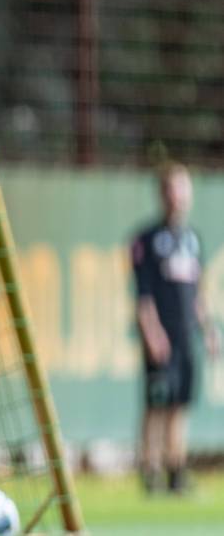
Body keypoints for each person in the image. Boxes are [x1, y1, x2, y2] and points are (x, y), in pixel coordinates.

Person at [130, 163, 219, 494]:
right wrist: (152, 333)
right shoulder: (146, 240)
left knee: (179, 405)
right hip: (161, 337)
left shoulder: (193, 239)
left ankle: (176, 471)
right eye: (171, 189)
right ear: (162, 194)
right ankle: (150, 471)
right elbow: (143, 295)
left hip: (185, 338)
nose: (177, 197)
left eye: (183, 189)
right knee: (156, 404)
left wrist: (208, 330)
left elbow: (198, 295)